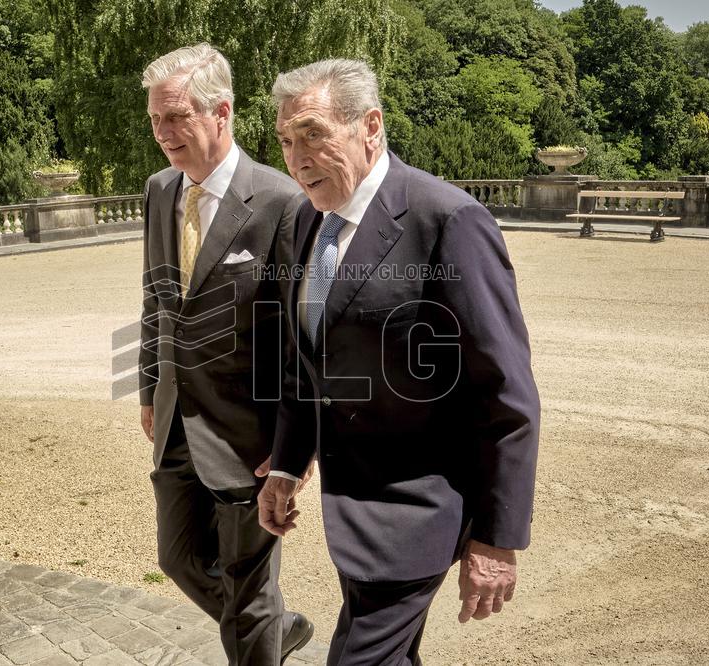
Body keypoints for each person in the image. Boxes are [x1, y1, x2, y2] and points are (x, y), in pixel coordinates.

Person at [257, 58, 541, 665]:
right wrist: (286, 463)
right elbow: (306, 357)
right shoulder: (306, 219)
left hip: (418, 511)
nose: (296, 156)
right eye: (285, 140)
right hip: (352, 508)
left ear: (370, 126)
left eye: (312, 133)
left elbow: (507, 392)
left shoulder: (449, 220)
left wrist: (496, 538)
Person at [138, 43, 312, 664]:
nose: (162, 133)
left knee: (248, 587)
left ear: (221, 113)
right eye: (156, 119)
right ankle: (273, 628)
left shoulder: (281, 201)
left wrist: (292, 446)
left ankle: (261, 626)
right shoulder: (160, 191)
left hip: (249, 438)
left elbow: (301, 341)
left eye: (175, 117)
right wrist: (148, 389)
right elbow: (156, 298)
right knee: (177, 558)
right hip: (176, 425)